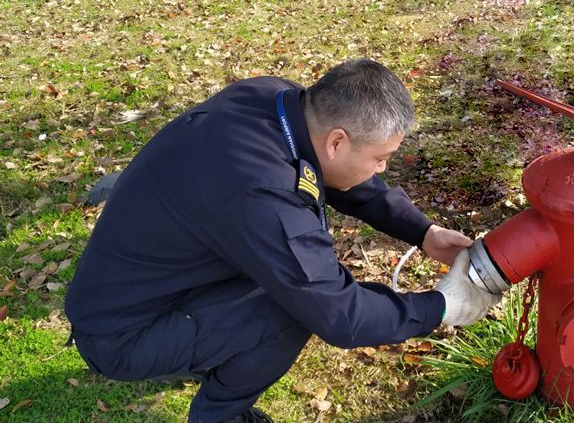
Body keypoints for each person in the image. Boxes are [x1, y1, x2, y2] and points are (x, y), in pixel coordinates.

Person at [65, 59, 502, 423]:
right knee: (290, 311)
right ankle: (221, 417)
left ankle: (207, 352)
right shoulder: (260, 192)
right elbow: (339, 315)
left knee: (292, 287)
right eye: (380, 158)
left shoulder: (276, 101)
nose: (381, 169)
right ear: (337, 141)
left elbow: (330, 175)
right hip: (123, 333)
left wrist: (422, 231)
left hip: (136, 289)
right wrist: (441, 306)